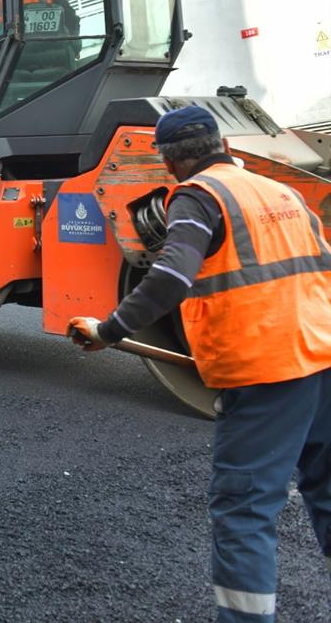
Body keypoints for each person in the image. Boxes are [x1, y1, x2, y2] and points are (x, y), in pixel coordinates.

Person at [68, 106, 330, 622]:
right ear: (221, 143)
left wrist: (108, 330)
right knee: (327, 490)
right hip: (322, 356)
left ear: (168, 159)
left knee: (244, 508)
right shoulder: (280, 192)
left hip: (266, 370)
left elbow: (171, 276)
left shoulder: (197, 197)